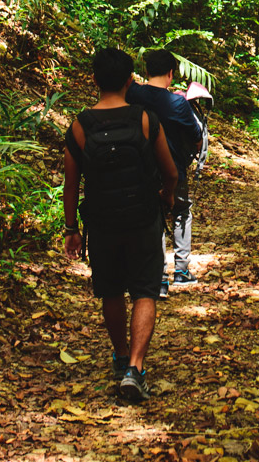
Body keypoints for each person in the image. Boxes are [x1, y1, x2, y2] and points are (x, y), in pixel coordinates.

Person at [63, 47, 177, 404]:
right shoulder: (144, 119)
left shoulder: (79, 126)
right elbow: (170, 171)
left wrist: (71, 229)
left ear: (94, 80)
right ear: (130, 80)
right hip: (143, 216)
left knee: (110, 290)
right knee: (144, 289)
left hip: (101, 221)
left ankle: (121, 354)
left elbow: (71, 184)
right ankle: (136, 368)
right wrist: (167, 195)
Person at [127, 49, 204, 296]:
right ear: (171, 74)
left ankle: (158, 277)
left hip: (141, 170)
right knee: (181, 212)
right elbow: (197, 138)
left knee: (153, 219)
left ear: (147, 71)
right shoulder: (177, 103)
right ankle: (181, 271)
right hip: (174, 169)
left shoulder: (133, 93)